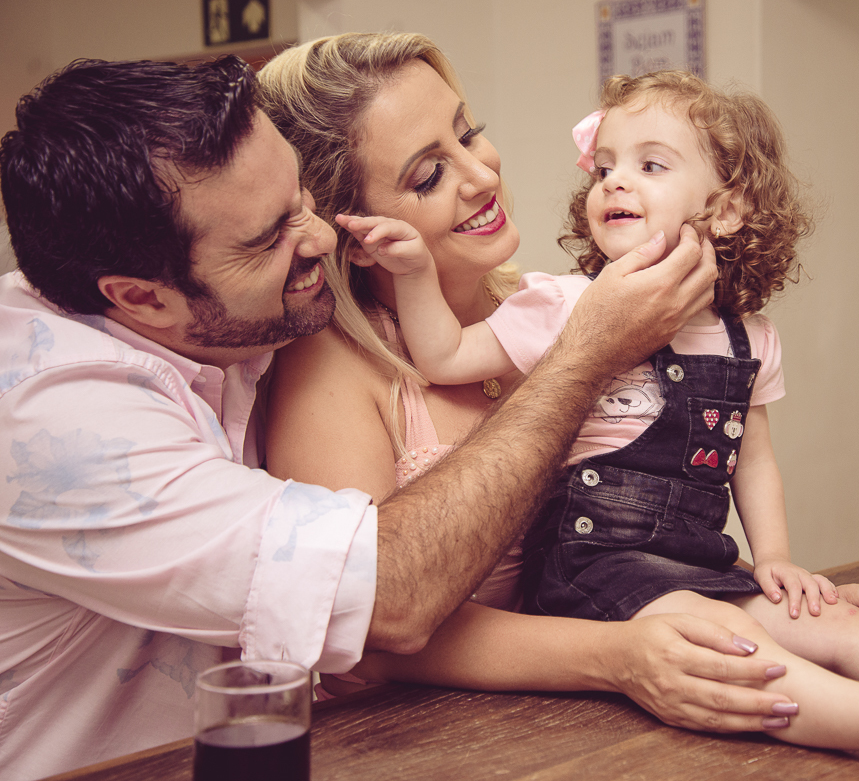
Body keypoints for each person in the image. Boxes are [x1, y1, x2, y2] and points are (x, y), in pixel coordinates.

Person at [334, 67, 859, 776]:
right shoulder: (559, 302)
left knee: (835, 624)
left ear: (725, 209)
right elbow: (443, 355)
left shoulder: (748, 336)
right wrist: (413, 275)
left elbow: (752, 459)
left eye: (651, 165)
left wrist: (779, 561)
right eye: (606, 169)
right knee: (734, 643)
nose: (616, 182)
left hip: (700, 554)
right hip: (595, 563)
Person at [0, 54, 773, 781]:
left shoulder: (257, 327)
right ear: (141, 298)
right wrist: (585, 356)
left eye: (302, 200)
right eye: (270, 236)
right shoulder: (56, 424)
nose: (322, 236)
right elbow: (383, 605)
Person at [256, 31, 859, 741]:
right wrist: (621, 653)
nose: (482, 174)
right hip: (417, 741)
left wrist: (788, 602)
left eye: (469, 134)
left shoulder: (540, 306)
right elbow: (367, 629)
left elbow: (635, 528)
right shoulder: (336, 365)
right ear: (354, 232)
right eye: (429, 174)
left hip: (583, 718)